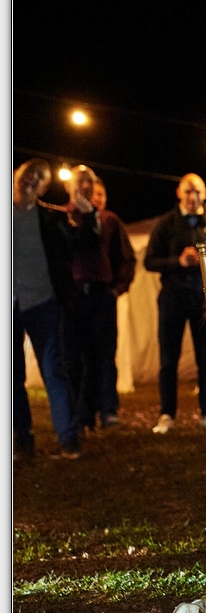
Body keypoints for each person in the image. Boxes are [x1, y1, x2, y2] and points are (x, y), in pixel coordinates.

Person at [13, 158, 97, 459]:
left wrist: (89, 217)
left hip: (43, 304)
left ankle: (68, 439)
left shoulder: (52, 218)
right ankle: (21, 440)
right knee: (11, 376)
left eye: (40, 178)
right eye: (29, 173)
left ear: (44, 189)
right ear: (16, 175)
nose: (32, 179)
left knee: (54, 372)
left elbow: (83, 242)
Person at [144, 173, 206, 434]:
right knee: (168, 360)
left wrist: (204, 261)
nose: (192, 196)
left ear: (205, 194)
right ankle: (167, 414)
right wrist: (178, 261)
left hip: (202, 301)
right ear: (179, 193)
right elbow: (149, 261)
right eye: (188, 191)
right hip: (172, 299)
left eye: (197, 191)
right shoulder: (166, 224)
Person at [64, 167, 135, 432]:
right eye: (80, 180)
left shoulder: (108, 220)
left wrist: (117, 289)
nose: (85, 185)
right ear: (69, 186)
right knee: (74, 358)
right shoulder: (61, 216)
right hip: (73, 296)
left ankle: (107, 411)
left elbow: (124, 257)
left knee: (103, 356)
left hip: (101, 294)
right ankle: (79, 414)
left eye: (89, 181)